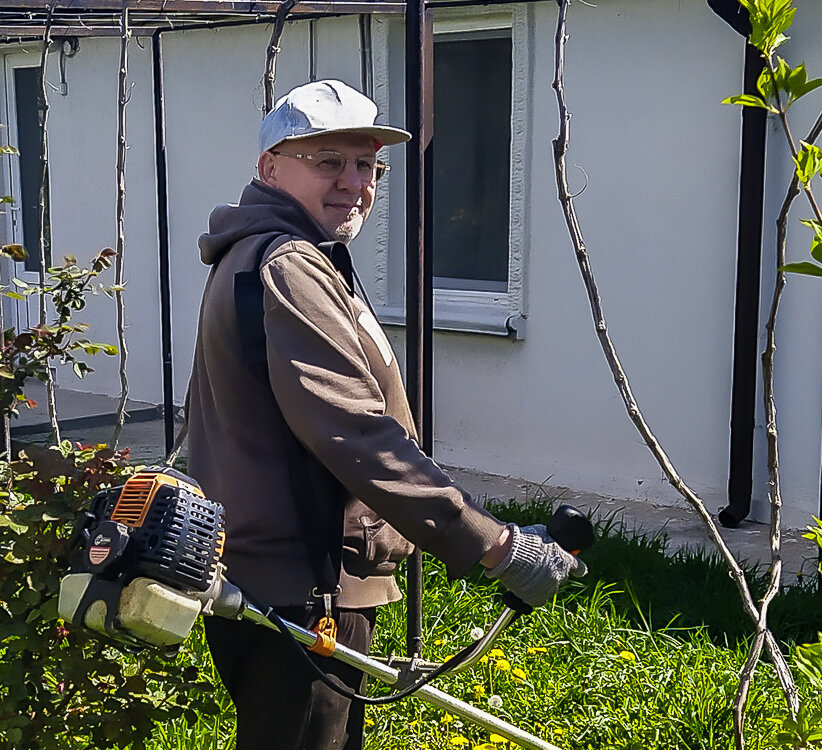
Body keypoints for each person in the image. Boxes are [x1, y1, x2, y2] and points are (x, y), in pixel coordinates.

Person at [185, 79, 585, 750]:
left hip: (283, 579)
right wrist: (495, 544)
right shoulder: (288, 265)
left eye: (366, 164)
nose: (353, 182)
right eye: (328, 162)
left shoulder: (277, 254)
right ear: (269, 168)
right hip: (303, 588)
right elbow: (354, 433)